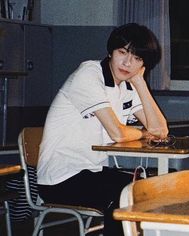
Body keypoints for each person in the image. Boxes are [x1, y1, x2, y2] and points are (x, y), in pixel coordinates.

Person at [37, 23, 168, 235]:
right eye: (123, 52)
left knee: (157, 186)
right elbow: (118, 133)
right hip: (61, 177)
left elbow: (161, 130)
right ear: (111, 51)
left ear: (144, 64)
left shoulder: (127, 83)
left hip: (94, 172)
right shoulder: (89, 74)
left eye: (137, 58)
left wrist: (140, 83)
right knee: (124, 194)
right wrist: (143, 133)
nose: (127, 63)